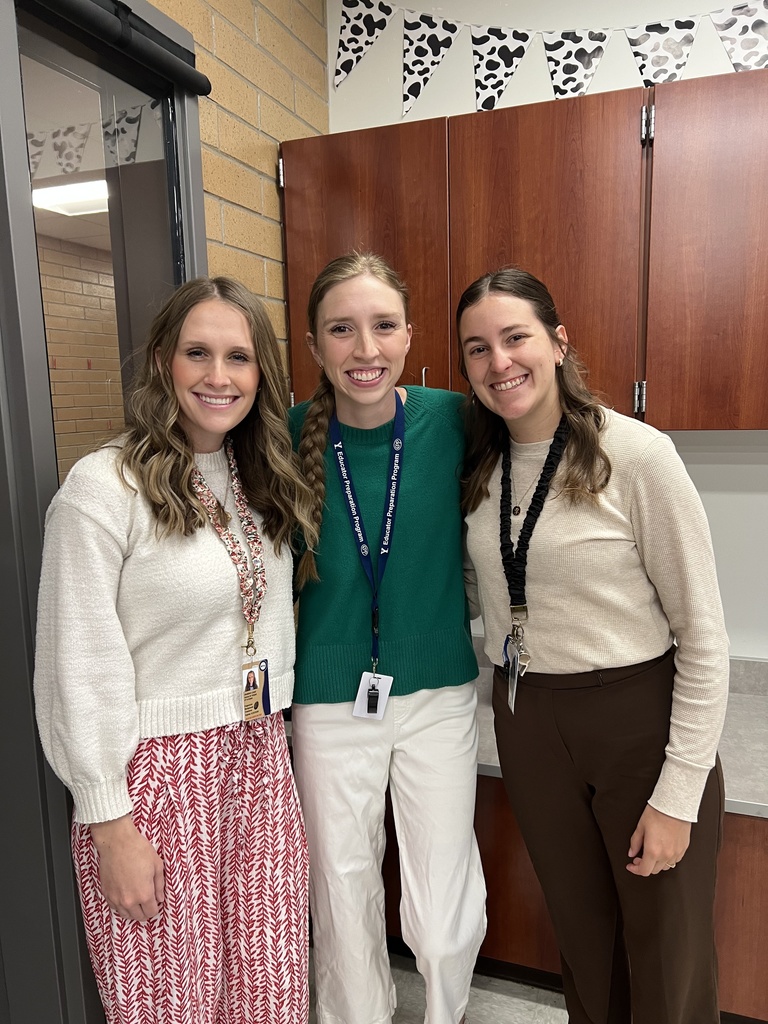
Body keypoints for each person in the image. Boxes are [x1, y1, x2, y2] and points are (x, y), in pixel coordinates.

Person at [34, 277, 318, 1024]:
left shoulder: (262, 478)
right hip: (156, 780)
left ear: (262, 376)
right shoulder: (102, 491)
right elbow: (78, 663)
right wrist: (108, 822)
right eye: (198, 353)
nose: (218, 377)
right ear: (162, 362)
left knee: (269, 989)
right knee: (170, 1002)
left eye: (239, 358)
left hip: (258, 758)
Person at [458, 267, 728, 1024]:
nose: (499, 362)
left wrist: (678, 795)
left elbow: (704, 635)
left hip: (637, 720)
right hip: (529, 719)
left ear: (557, 340)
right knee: (584, 944)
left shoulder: (637, 455)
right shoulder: (480, 468)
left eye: (516, 338)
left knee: (665, 953)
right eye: (477, 349)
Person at [290, 252, 486, 1024]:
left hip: (438, 694)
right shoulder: (282, 440)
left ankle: (447, 1012)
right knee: (342, 898)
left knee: (440, 916)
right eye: (342, 329)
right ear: (313, 346)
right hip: (330, 703)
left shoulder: (454, 421)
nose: (364, 349)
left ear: (410, 334)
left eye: (381, 326)